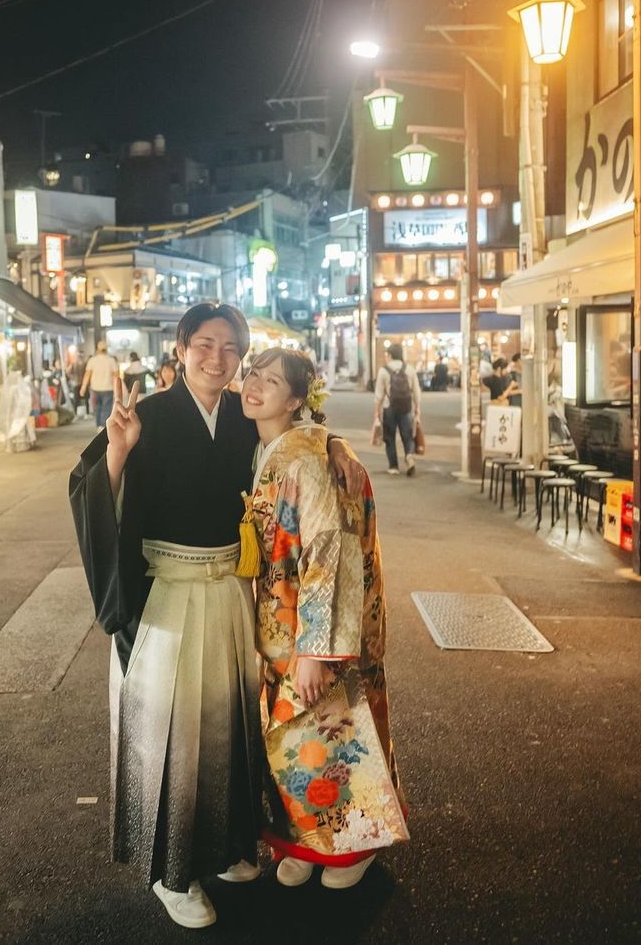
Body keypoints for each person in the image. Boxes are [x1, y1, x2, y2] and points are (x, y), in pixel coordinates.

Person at [68, 303, 365, 932]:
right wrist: (117, 452)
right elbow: (87, 487)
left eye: (231, 348)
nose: (217, 358)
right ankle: (171, 872)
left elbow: (294, 439)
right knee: (170, 733)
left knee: (228, 727)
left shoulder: (241, 413)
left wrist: (332, 445)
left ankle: (226, 847)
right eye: (204, 344)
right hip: (165, 593)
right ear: (180, 349)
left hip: (230, 589)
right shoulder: (146, 415)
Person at [240, 348, 409, 889]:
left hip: (309, 624)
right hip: (279, 618)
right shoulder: (270, 445)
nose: (254, 385)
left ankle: (357, 845)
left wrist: (316, 649)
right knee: (296, 738)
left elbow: (327, 552)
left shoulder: (307, 461)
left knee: (333, 729)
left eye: (271, 381)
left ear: (296, 399)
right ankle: (307, 842)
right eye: (253, 374)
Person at [374, 343, 421, 477]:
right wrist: (417, 408)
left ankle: (393, 466)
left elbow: (378, 395)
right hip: (406, 407)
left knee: (389, 437)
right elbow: (416, 391)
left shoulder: (384, 370)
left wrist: (376, 411)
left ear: (390, 355)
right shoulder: (410, 369)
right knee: (408, 435)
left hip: (389, 408)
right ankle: (409, 456)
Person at [79, 341, 120, 431]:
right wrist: (118, 388)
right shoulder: (111, 360)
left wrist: (83, 387)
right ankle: (103, 426)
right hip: (108, 388)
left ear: (97, 349)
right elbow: (116, 376)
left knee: (97, 407)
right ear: (106, 349)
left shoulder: (92, 360)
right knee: (106, 408)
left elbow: (87, 375)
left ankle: (98, 425)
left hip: (95, 388)